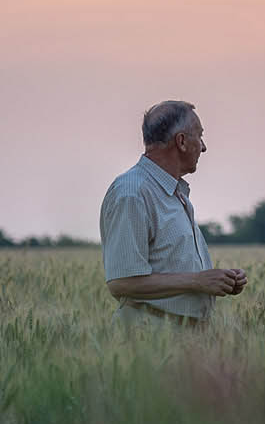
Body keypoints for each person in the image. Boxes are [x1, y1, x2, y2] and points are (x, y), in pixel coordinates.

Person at [100, 100, 247, 325]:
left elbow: (175, 267)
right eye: (200, 136)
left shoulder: (175, 193)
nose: (204, 147)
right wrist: (197, 282)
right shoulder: (132, 193)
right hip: (148, 339)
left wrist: (220, 281)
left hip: (186, 340)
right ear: (181, 141)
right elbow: (121, 282)